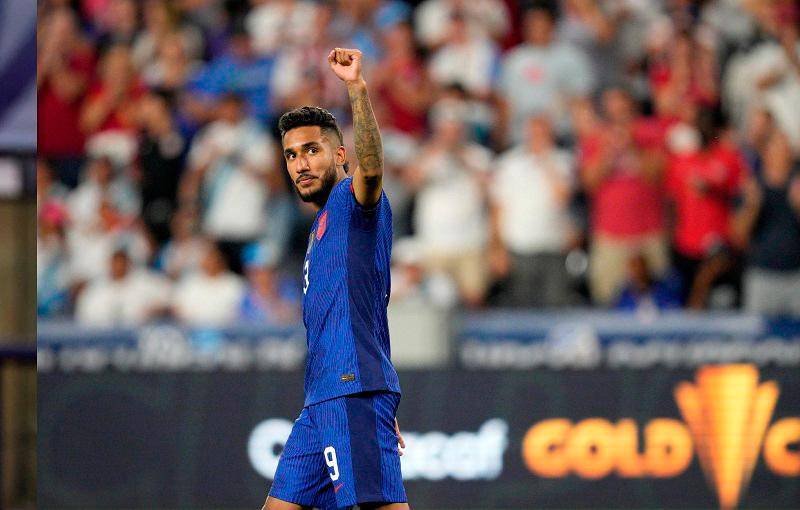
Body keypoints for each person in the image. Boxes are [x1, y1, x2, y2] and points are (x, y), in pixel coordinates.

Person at [263, 48, 408, 510]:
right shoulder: (320, 226)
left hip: (350, 392)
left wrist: (356, 89)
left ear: (339, 153)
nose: (300, 164)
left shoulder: (352, 200)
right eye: (291, 155)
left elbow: (373, 169)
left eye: (311, 150)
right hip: (326, 400)